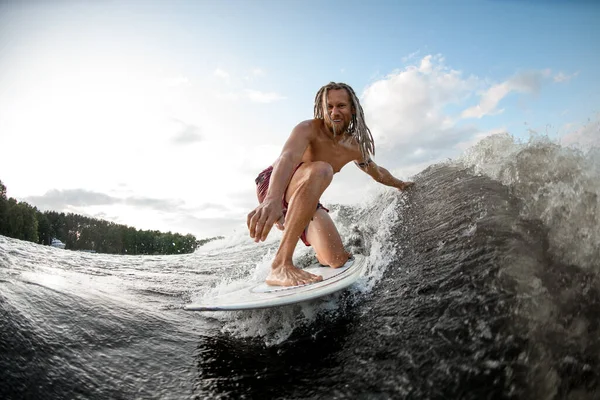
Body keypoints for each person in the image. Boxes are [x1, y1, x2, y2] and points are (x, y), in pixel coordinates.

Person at [247, 82, 414, 287]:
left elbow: (377, 172)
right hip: (275, 183)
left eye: (341, 106)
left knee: (337, 260)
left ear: (353, 109)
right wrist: (272, 199)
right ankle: (281, 265)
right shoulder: (308, 129)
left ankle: (313, 250)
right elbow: (287, 158)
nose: (334, 112)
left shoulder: (354, 147)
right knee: (322, 169)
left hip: (304, 198)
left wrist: (401, 185)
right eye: (329, 107)